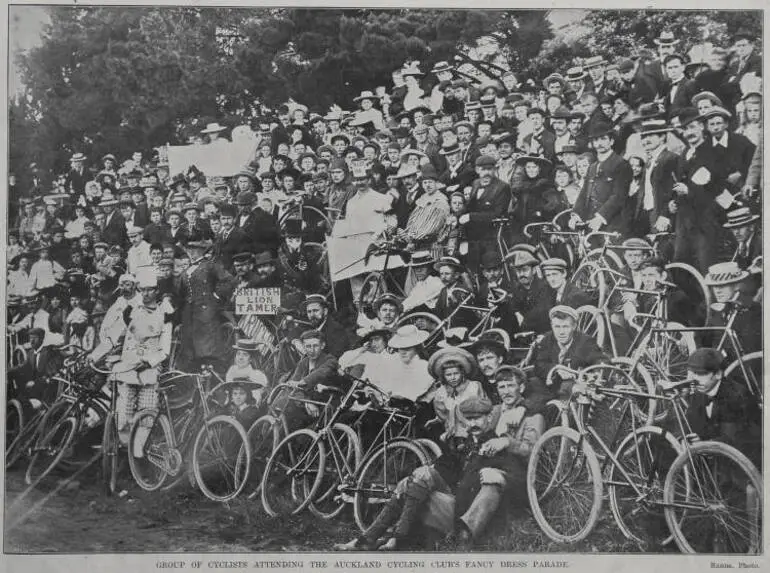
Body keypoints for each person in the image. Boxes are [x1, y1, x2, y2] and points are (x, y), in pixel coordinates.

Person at [91, 268, 173, 451]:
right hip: (127, 369)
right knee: (123, 416)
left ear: (157, 291)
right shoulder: (130, 311)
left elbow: (164, 350)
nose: (145, 293)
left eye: (150, 289)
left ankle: (137, 455)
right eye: (142, 289)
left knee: (146, 417)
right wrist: (94, 355)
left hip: (149, 371)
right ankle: (125, 450)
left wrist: (149, 362)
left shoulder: (164, 314)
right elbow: (112, 337)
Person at [683, 348, 761, 470]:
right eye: (693, 373)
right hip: (716, 457)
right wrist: (699, 437)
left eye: (701, 374)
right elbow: (694, 422)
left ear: (718, 374)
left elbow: (734, 439)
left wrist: (705, 443)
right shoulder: (700, 392)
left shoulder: (736, 396)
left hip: (744, 459)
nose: (695, 379)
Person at [530, 305, 608, 405]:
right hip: (552, 385)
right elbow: (539, 365)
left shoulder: (585, 342)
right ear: (551, 326)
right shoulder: (548, 339)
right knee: (531, 384)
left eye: (565, 327)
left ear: (574, 326)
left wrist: (596, 374)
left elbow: (600, 361)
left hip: (573, 389)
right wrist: (556, 369)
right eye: (557, 327)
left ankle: (567, 418)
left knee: (568, 388)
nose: (561, 332)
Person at [459, 155, 511, 271]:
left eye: (490, 169)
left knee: (488, 267)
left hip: (492, 235)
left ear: (494, 170)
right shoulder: (476, 183)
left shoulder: (502, 187)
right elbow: (470, 207)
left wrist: (471, 216)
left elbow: (497, 214)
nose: (487, 173)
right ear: (477, 170)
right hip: (474, 235)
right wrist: (458, 215)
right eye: (483, 169)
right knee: (470, 266)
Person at [428, 347, 486, 439]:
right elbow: (442, 413)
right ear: (443, 376)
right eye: (448, 375)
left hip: (474, 429)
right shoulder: (441, 392)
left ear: (462, 373)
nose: (453, 378)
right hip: (452, 431)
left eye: (456, 373)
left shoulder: (473, 387)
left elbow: (482, 409)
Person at [300, 293, 351, 358]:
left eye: (315, 311)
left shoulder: (336, 330)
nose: (312, 315)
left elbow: (334, 359)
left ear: (325, 311)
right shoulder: (315, 327)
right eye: (309, 312)